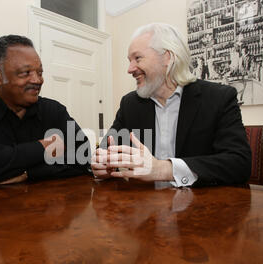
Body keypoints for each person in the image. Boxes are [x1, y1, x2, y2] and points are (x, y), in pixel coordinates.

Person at [91, 23, 251, 187]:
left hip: (200, 208)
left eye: (137, 58)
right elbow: (105, 150)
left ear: (168, 57)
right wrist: (101, 165)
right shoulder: (130, 104)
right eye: (129, 61)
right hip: (145, 209)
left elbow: (239, 164)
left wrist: (163, 169)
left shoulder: (219, 98)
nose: (130, 69)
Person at [0, 35, 90, 191]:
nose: (37, 80)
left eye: (39, 73)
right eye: (25, 73)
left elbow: (83, 156)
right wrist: (42, 147)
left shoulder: (54, 111)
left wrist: (30, 173)